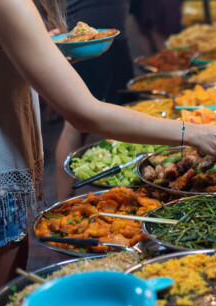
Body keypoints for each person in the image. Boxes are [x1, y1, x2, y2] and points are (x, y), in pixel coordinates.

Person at [0, 0, 216, 297]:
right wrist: (191, 132)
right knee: (0, 304)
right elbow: (86, 114)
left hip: (3, 171)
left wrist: (35, 49)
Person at [55, 0, 135, 200]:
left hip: (113, 38)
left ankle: (124, 193)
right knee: (75, 125)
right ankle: (62, 203)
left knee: (124, 114)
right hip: (86, 45)